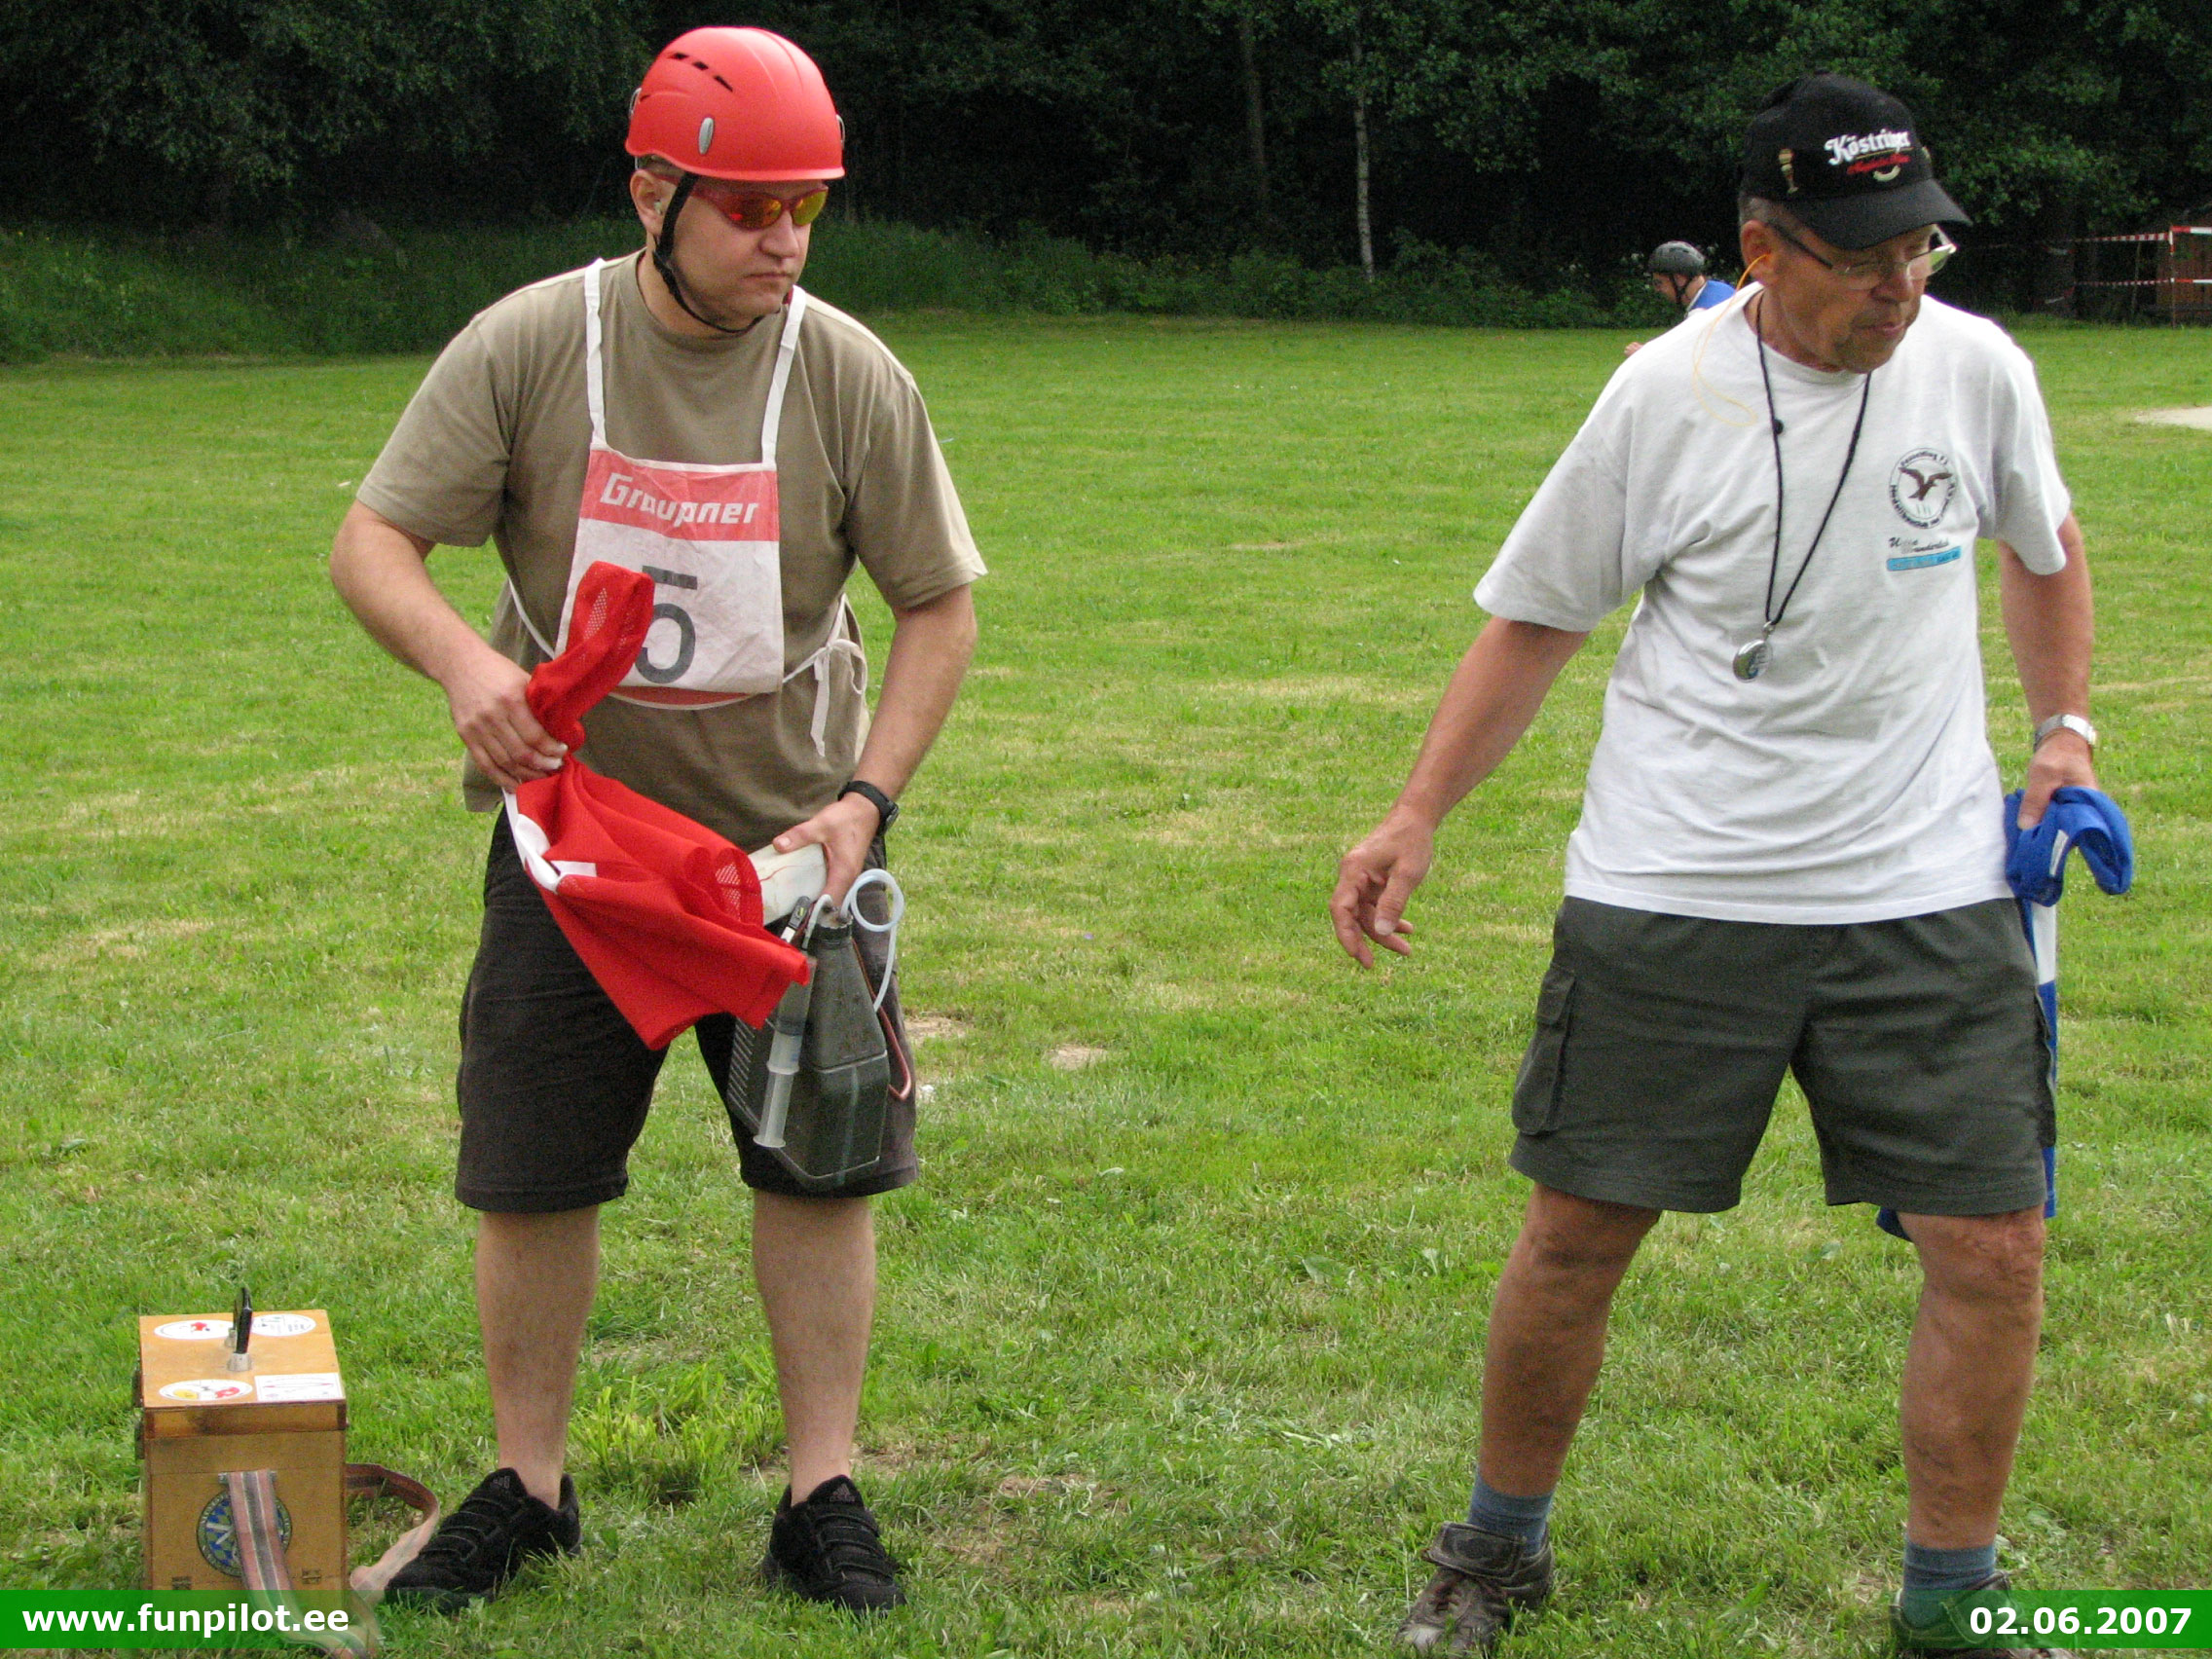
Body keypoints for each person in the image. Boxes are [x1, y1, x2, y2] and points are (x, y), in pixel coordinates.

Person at [1331, 71, 2095, 1659]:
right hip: (1677, 887)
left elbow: (2045, 547)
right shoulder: (1660, 397)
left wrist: (2062, 731)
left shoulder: (1976, 370)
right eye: (1863, 255)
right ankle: (1495, 1550)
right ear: (1761, 248)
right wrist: (1415, 813)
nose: (1899, 284)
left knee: (1994, 1245)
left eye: (1920, 248)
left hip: (1929, 889)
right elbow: (1538, 616)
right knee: (1575, 1235)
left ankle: (1953, 1597)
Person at [328, 25, 983, 1615]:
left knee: (818, 1167)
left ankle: (820, 1492)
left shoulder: (845, 372)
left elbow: (939, 606)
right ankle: (527, 1485)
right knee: (531, 1169)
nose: (784, 239)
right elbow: (371, 544)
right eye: (750, 206)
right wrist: (473, 668)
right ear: (652, 194)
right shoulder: (532, 346)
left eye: (807, 207)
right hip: (576, 850)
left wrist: (863, 804)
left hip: (790, 855)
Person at [1623, 242, 1736, 354]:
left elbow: (1682, 357)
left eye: (1659, 283)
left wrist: (1643, 355)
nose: (1657, 289)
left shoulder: (1700, 315)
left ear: (1679, 279)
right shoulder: (1722, 289)